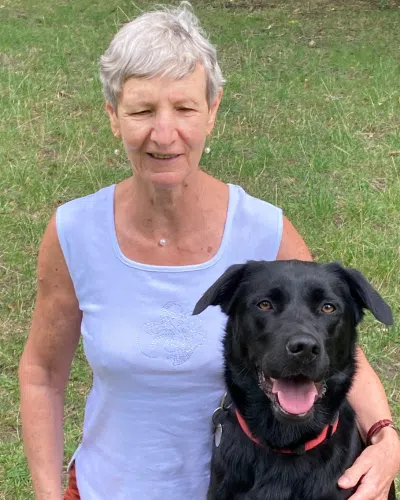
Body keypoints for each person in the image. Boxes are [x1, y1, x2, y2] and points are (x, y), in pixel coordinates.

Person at [18, 3, 399, 500]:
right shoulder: (74, 231)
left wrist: (385, 437)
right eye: (141, 110)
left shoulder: (263, 228)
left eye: (184, 108)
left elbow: (325, 337)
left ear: (213, 112)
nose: (164, 133)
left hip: (244, 487)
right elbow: (42, 375)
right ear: (113, 116)